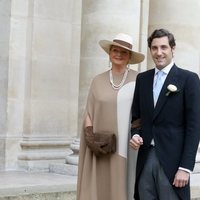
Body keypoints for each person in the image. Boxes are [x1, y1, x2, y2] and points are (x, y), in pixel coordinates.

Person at [130, 28, 200, 200]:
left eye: (164, 47)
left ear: (173, 49)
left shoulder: (189, 79)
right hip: (145, 157)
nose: (159, 53)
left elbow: (195, 126)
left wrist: (185, 167)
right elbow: (137, 119)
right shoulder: (142, 79)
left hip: (174, 162)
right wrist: (135, 135)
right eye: (154, 48)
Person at [76, 33, 145, 200]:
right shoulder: (97, 80)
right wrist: (90, 137)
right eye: (115, 50)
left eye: (124, 52)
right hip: (100, 146)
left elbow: (144, 113)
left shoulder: (139, 79)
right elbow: (89, 112)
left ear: (130, 56)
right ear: (109, 53)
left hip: (125, 145)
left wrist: (136, 133)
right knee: (100, 186)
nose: (119, 54)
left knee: (122, 185)